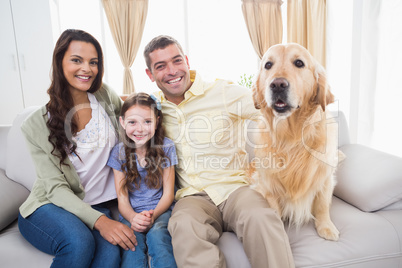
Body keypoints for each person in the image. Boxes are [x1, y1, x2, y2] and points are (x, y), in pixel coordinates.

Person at [143, 35, 295, 268]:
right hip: (192, 197)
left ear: (186, 61)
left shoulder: (223, 92)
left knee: (261, 217)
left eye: (176, 61)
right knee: (183, 226)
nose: (172, 71)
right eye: (160, 66)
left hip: (236, 188)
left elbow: (271, 111)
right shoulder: (153, 111)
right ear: (150, 75)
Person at [17, 29, 137, 268]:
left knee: (110, 257)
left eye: (93, 62)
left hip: (97, 204)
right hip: (50, 205)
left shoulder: (104, 95)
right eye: (76, 60)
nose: (87, 69)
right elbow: (55, 187)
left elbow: (136, 118)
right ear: (59, 62)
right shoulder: (36, 124)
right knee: (79, 243)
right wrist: (102, 221)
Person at [107, 92, 178, 268]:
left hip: (161, 211)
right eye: (132, 122)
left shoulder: (167, 147)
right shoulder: (119, 153)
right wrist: (133, 218)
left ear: (157, 121)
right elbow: (122, 199)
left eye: (147, 121)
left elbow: (168, 194)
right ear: (122, 122)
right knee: (131, 246)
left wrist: (151, 217)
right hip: (131, 214)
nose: (140, 129)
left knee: (158, 237)